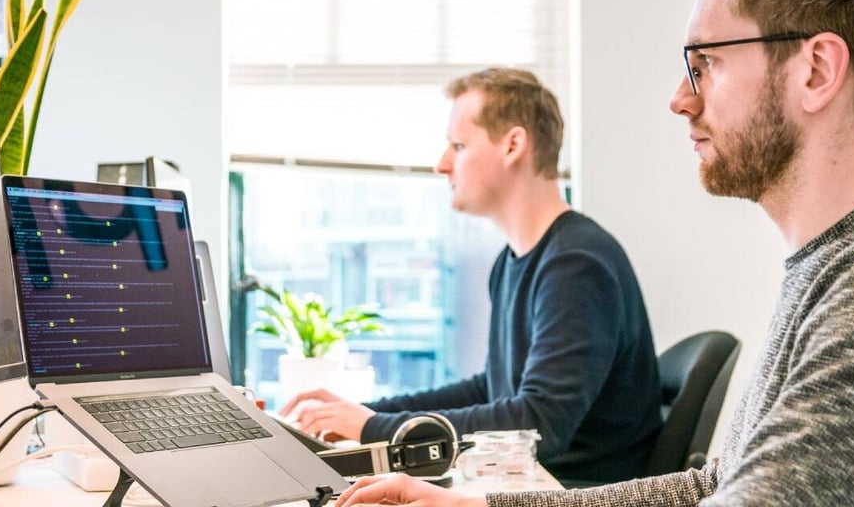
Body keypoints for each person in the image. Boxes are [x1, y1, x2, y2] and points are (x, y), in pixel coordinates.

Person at [335, 0, 854, 505]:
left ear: (815, 70)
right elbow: (716, 483)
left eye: (705, 64)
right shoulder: (844, 264)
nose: (679, 98)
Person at [281, 68, 664, 484]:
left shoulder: (577, 264)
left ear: (513, 145)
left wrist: (374, 429)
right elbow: (492, 389)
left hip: (574, 490)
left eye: (459, 145)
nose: (441, 164)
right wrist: (370, 413)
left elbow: (538, 425)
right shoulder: (515, 261)